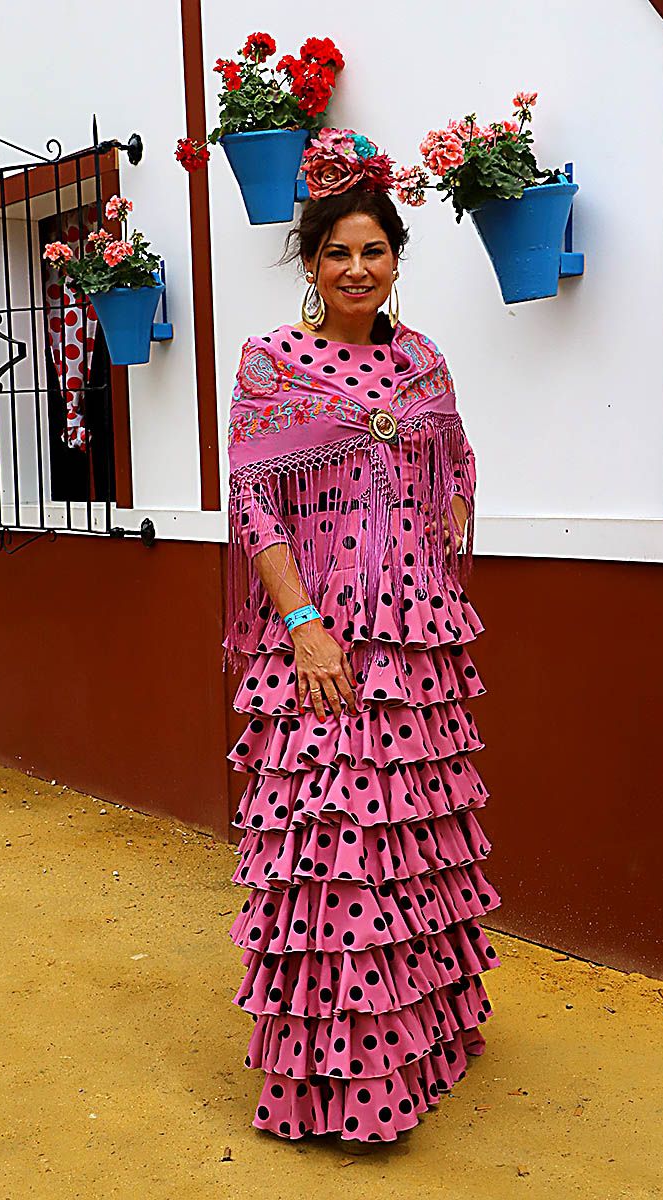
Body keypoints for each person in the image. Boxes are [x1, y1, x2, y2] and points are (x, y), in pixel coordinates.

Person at [224, 128, 501, 1147]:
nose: (355, 269)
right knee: (331, 852)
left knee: (410, 843)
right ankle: (337, 1084)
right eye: (336, 252)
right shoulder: (273, 363)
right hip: (322, 640)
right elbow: (253, 500)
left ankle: (415, 1052)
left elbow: (456, 457)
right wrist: (302, 625)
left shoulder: (424, 359)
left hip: (415, 641)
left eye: (373, 251)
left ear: (396, 261)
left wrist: (448, 520)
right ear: (310, 265)